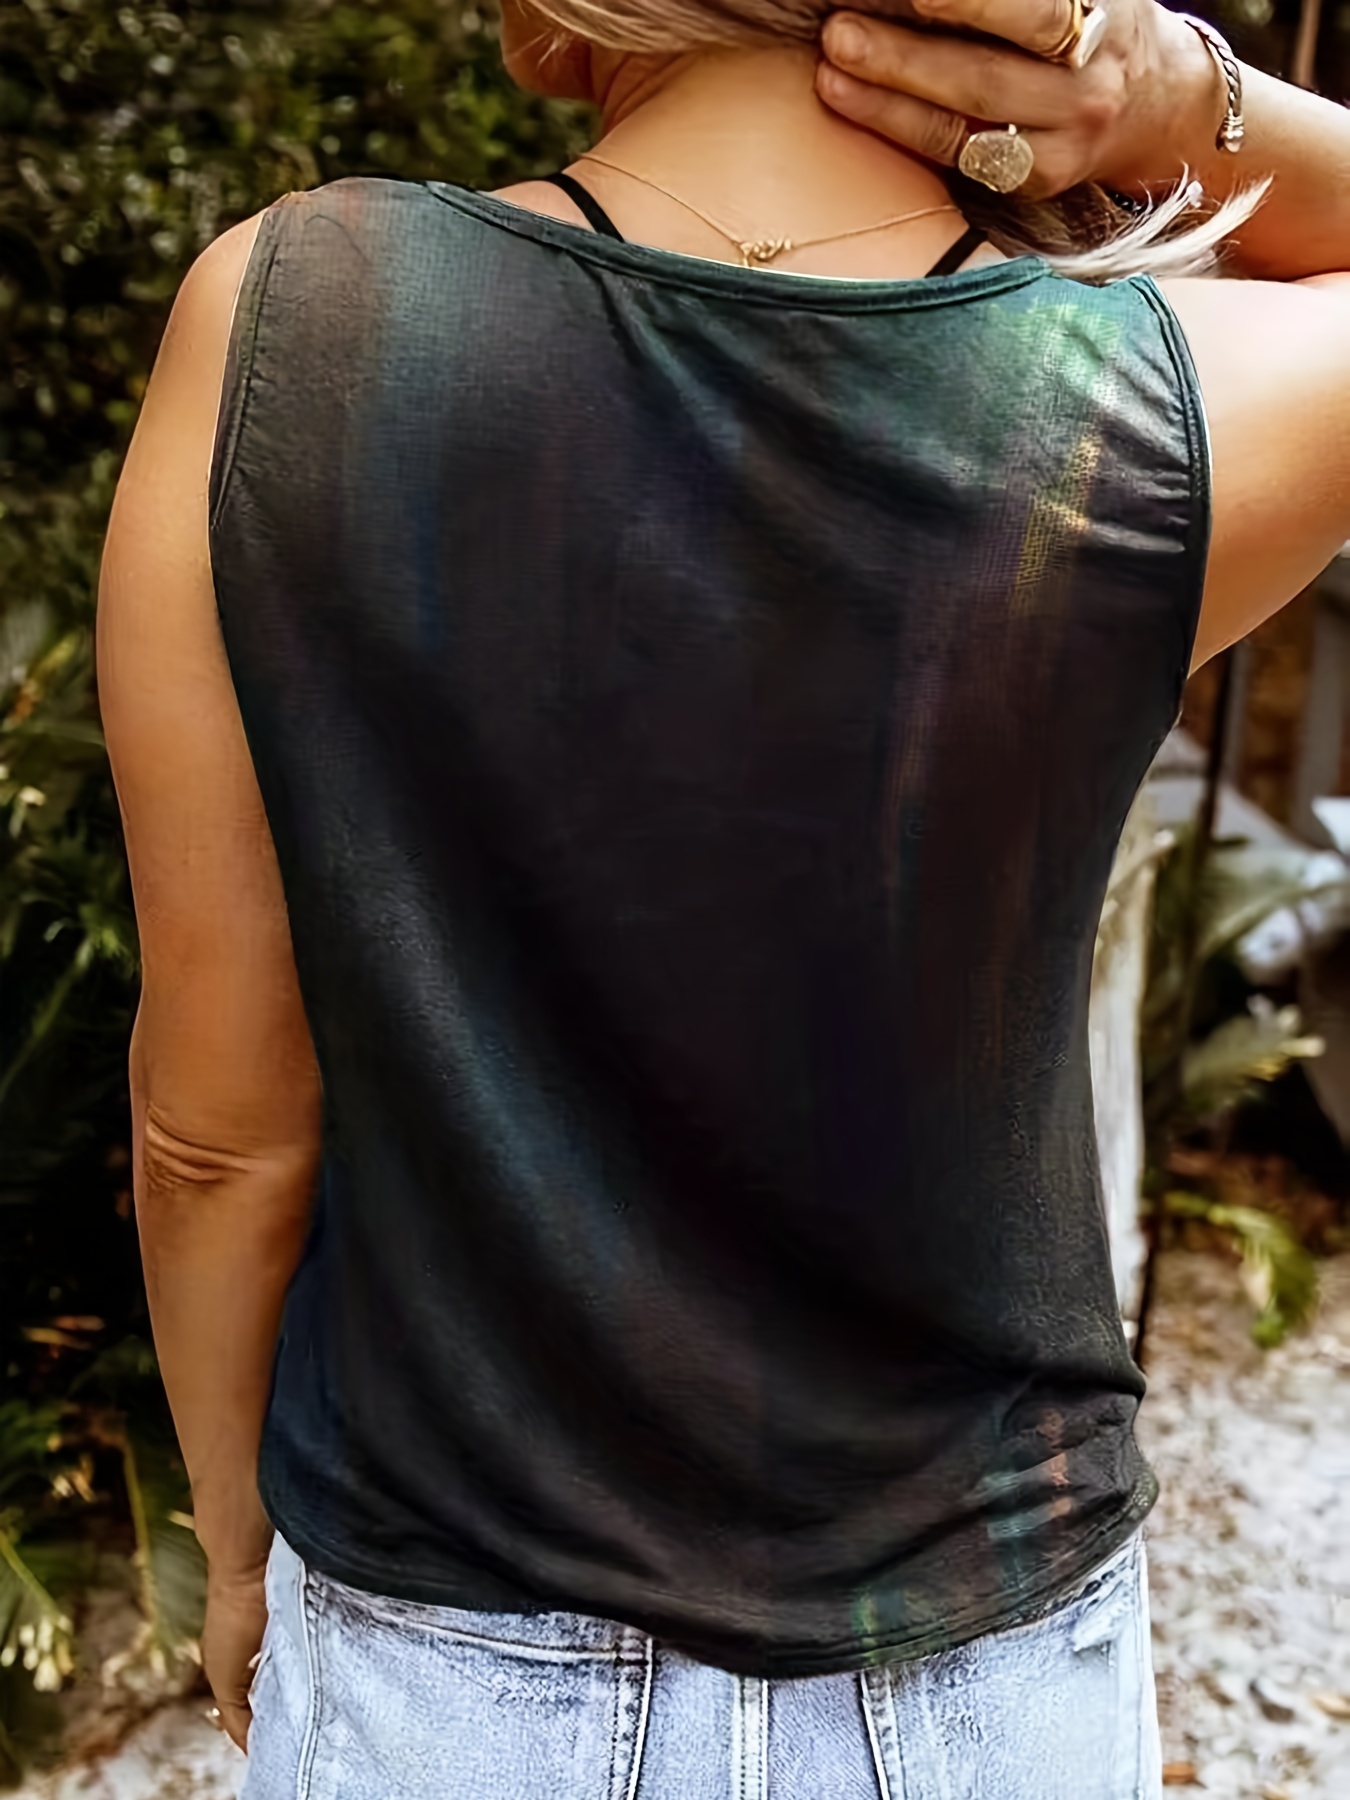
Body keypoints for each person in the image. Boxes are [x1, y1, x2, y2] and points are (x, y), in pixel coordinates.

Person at [95, 0, 1350, 1792]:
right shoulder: (1134, 405)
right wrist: (1175, 96)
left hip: (448, 1657)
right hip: (976, 1671)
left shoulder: (295, 322)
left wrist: (233, 1543)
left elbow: (215, 1134)